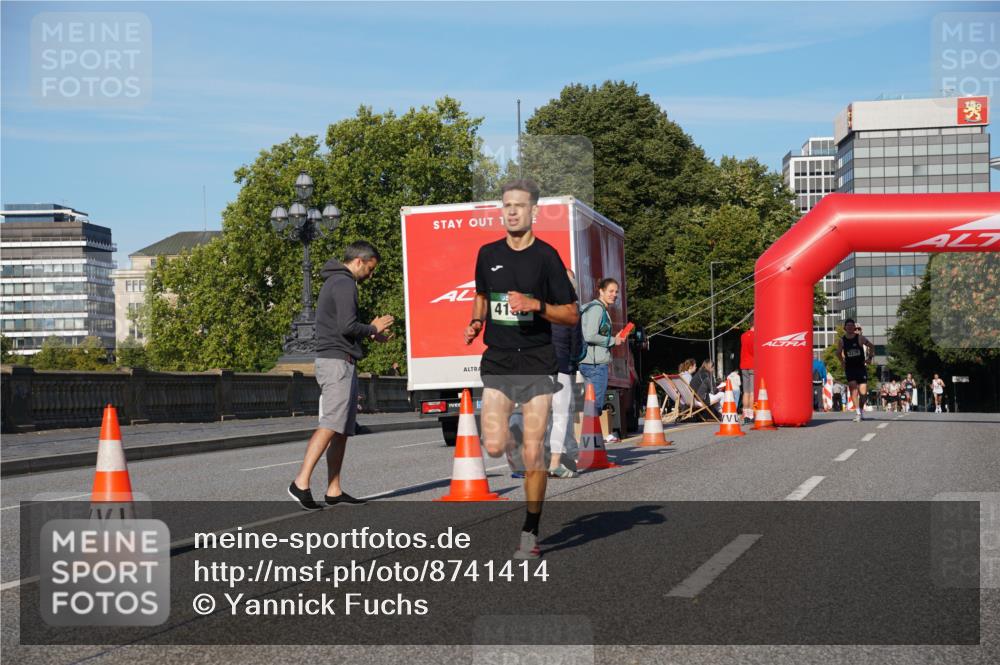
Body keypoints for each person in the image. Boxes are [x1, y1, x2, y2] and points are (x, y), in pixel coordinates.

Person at [463, 178, 579, 560]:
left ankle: (530, 530)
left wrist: (535, 305)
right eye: (506, 205)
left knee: (534, 456)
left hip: (536, 360)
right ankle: (512, 433)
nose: (511, 211)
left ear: (534, 212)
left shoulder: (547, 257)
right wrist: (477, 321)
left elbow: (571, 314)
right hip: (499, 357)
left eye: (519, 205)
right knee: (494, 445)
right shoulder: (486, 252)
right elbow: (481, 295)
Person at [289, 241, 394, 510]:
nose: (371, 275)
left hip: (341, 361)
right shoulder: (345, 283)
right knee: (331, 424)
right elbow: (347, 326)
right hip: (336, 363)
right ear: (359, 261)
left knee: (341, 430)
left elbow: (343, 327)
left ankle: (334, 490)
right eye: (370, 269)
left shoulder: (337, 282)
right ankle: (300, 483)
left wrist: (371, 334)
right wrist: (373, 327)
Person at [579, 278, 625, 443]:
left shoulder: (597, 308)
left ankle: (593, 436)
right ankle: (592, 438)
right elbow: (589, 335)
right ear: (601, 291)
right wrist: (613, 340)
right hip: (595, 364)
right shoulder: (597, 309)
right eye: (611, 291)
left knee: (591, 402)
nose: (615, 295)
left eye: (616, 292)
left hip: (591, 362)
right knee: (595, 403)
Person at [548, 269, 583, 479]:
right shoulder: (572, 309)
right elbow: (576, 344)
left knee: (542, 416)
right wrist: (575, 360)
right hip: (562, 366)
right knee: (562, 415)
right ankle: (560, 460)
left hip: (540, 366)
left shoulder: (542, 306)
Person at [836, 318, 874, 422]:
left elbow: (872, 346)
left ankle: (861, 410)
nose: (849, 327)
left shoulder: (860, 338)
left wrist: (869, 358)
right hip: (850, 368)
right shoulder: (842, 340)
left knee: (863, 393)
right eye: (847, 325)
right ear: (845, 328)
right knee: (853, 390)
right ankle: (857, 413)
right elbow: (838, 353)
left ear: (854, 327)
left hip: (861, 367)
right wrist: (842, 362)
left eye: (851, 325)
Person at [739, 326, 755, 421]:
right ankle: (751, 414)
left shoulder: (743, 335)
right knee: (752, 391)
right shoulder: (756, 335)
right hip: (753, 364)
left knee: (746, 391)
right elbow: (754, 350)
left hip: (744, 364)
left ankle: (745, 413)